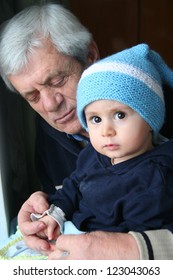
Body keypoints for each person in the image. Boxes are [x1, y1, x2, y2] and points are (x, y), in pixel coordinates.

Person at [0, 3, 173, 260]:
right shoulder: (51, 134)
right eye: (33, 96)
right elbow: (78, 188)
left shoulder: (154, 109)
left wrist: (133, 249)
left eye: (57, 80)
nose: (50, 105)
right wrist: (47, 204)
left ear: (90, 55)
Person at [30, 44, 173, 252]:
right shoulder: (93, 154)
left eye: (120, 115)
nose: (106, 131)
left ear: (149, 118)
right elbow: (74, 185)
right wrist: (56, 213)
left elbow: (128, 243)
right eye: (95, 119)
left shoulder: (156, 177)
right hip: (74, 236)